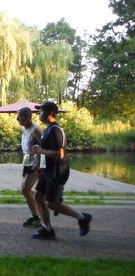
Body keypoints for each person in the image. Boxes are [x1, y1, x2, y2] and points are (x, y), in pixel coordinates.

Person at [31, 101, 92, 240]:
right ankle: (47, 229)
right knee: (38, 197)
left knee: (52, 204)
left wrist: (41, 150)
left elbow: (62, 154)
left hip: (57, 172)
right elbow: (47, 152)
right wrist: (39, 164)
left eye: (41, 111)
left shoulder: (56, 130)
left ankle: (82, 218)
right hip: (47, 171)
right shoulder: (47, 129)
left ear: (51, 113)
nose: (39, 114)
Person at [16, 107, 42, 228]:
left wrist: (38, 163)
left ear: (28, 118)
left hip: (35, 163)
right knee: (25, 189)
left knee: (25, 190)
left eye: (19, 116)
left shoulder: (36, 130)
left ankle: (36, 217)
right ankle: (42, 200)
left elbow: (44, 147)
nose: (17, 119)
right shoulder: (23, 128)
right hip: (27, 161)